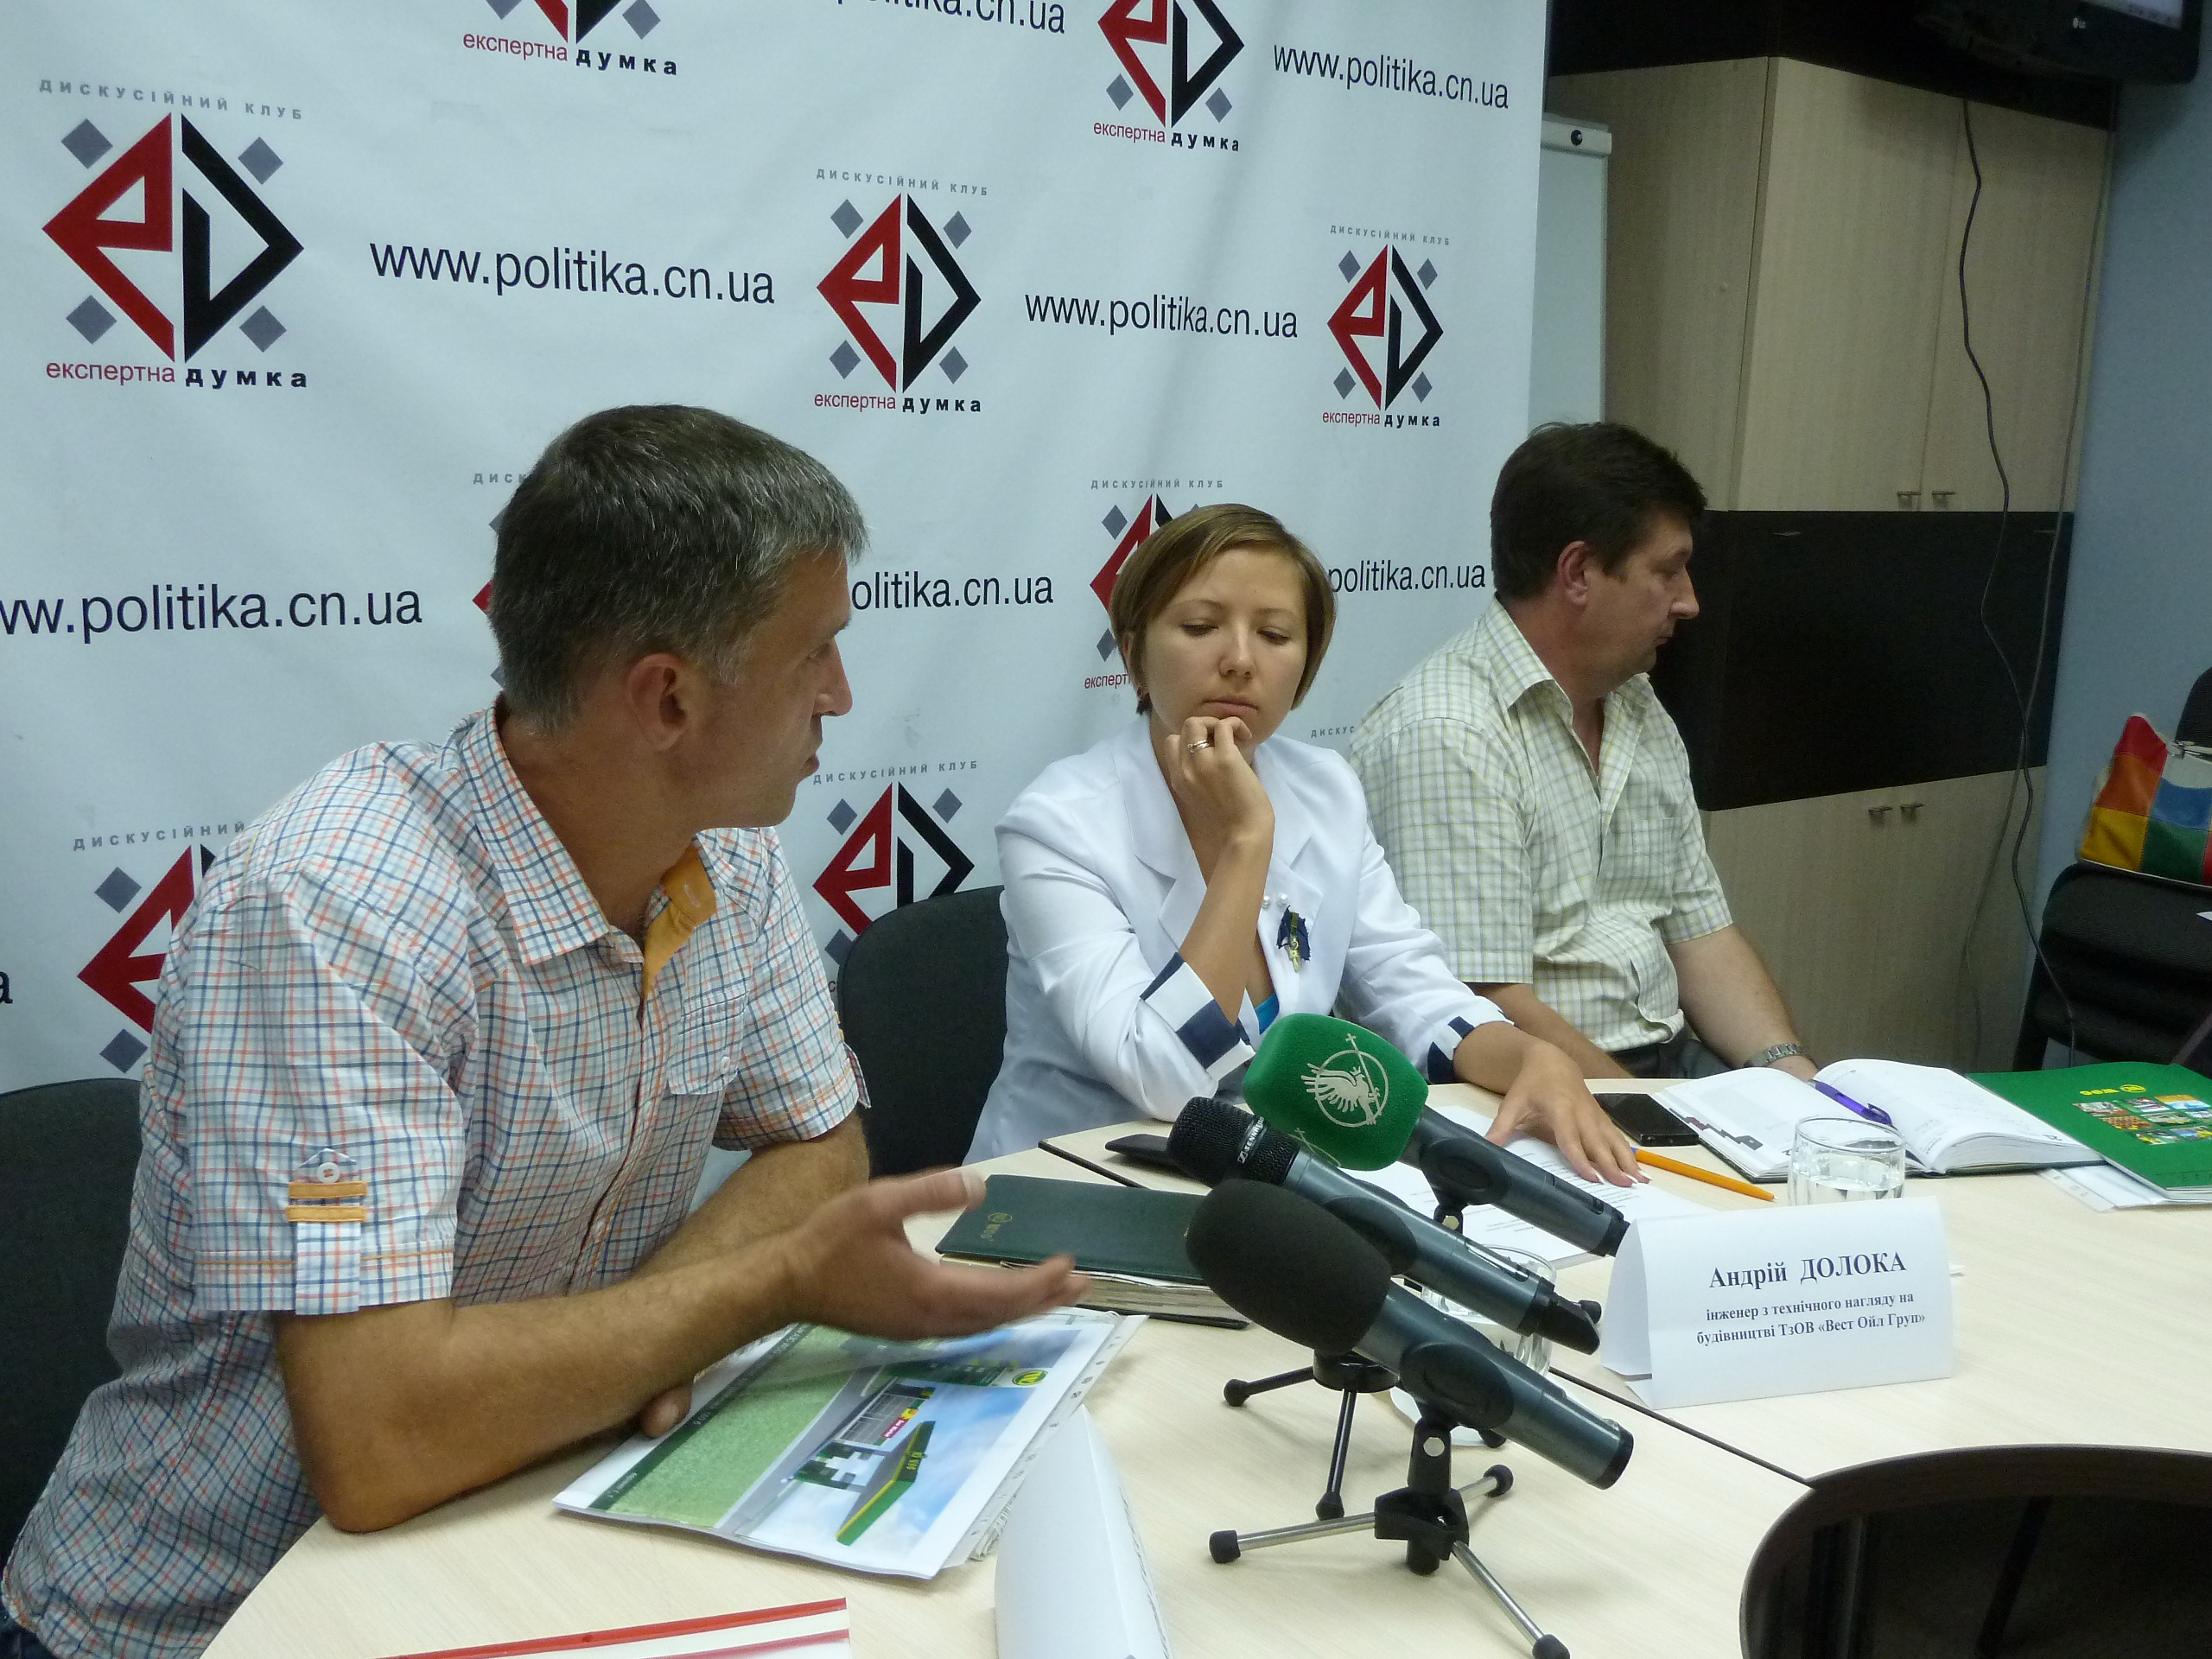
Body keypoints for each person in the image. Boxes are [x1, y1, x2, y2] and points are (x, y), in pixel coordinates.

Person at [0, 407, 1081, 1659]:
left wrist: (643, 1345)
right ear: (668, 699)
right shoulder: (335, 905)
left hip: (531, 1533)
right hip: (210, 1620)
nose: (840, 694)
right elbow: (380, 1441)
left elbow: (816, 1148)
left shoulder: (724, 855)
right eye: (814, 654)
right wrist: (766, 1288)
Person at [965, 503, 1637, 1182]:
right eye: (1199, 627)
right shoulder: (1058, 825)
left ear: (1306, 668)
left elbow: (1411, 990)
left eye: (1275, 635)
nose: (1239, 661)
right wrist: (1246, 842)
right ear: (1135, 653)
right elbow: (1162, 1076)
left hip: (1260, 1183)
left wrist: (1530, 1055)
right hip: (1070, 1186)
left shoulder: (1326, 789)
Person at [1351, 422, 1818, 1084]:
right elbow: (1480, 1006)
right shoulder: (1447, 730)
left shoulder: (1636, 702)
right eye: (1666, 571)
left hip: (1666, 1065)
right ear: (1577, 573)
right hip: (1529, 1082)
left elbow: (1701, 931)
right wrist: (1649, 1120)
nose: (1689, 601)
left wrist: (1790, 1076)